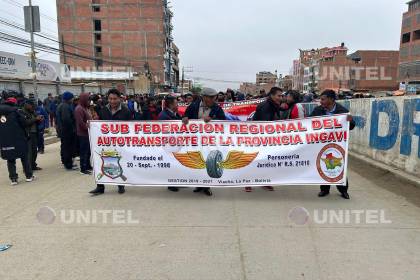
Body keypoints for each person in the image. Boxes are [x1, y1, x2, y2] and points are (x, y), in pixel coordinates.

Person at [310, 89, 356, 199]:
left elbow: (351, 126)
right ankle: (324, 190)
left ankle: (343, 190)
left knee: (339, 166)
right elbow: (308, 122)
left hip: (337, 144)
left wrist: (350, 121)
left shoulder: (342, 111)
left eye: (323, 99)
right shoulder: (317, 110)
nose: (320, 101)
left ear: (331, 99)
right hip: (322, 143)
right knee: (324, 164)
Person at [183, 87, 226, 197]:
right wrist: (185, 119)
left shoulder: (217, 108)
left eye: (214, 97)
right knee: (197, 161)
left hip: (209, 141)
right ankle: (199, 184)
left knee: (208, 161)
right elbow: (184, 116)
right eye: (211, 97)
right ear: (204, 97)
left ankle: (207, 186)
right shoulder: (193, 105)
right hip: (195, 140)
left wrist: (212, 119)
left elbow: (224, 121)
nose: (213, 100)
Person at [89, 89, 132, 195]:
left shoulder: (126, 111)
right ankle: (100, 186)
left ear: (120, 99)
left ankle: (120, 185)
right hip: (105, 142)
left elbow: (130, 127)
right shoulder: (103, 110)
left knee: (119, 163)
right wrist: (92, 124)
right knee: (100, 162)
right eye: (110, 99)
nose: (112, 101)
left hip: (120, 143)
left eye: (115, 99)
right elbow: (99, 124)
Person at [247, 87, 289, 192]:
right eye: (279, 96)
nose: (281, 98)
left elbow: (277, 110)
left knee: (266, 161)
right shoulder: (265, 106)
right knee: (254, 160)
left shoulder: (273, 104)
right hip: (259, 138)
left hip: (268, 139)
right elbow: (265, 125)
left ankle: (264, 181)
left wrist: (283, 107)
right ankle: (247, 182)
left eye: (282, 96)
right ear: (272, 95)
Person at [0, 97, 34, 185]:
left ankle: (13, 179)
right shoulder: (16, 111)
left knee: (10, 159)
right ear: (14, 103)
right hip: (18, 138)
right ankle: (29, 176)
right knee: (24, 157)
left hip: (5, 140)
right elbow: (24, 123)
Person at [158, 95, 182, 192]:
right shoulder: (164, 116)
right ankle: (171, 184)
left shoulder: (174, 113)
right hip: (168, 145)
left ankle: (175, 181)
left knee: (175, 163)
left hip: (175, 144)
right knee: (171, 163)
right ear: (171, 105)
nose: (178, 105)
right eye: (176, 103)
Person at [56, 91, 77, 171]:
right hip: (67, 131)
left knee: (65, 147)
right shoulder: (65, 106)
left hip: (63, 130)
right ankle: (68, 164)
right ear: (68, 99)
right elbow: (66, 120)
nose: (72, 100)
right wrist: (72, 128)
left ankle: (66, 162)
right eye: (72, 98)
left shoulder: (62, 105)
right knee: (68, 148)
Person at [21, 99, 42, 171]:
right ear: (26, 105)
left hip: (34, 133)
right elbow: (25, 123)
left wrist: (39, 120)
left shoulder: (32, 111)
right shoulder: (22, 112)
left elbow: (35, 121)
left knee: (34, 151)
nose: (32, 107)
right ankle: (27, 168)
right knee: (29, 152)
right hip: (27, 134)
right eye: (31, 106)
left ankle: (33, 165)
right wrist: (35, 119)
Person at [74, 93, 92, 175]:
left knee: (88, 151)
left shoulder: (85, 108)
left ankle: (88, 165)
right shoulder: (79, 109)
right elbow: (80, 122)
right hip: (83, 134)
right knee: (83, 151)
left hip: (88, 133)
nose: (89, 101)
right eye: (88, 99)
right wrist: (87, 127)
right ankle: (83, 168)